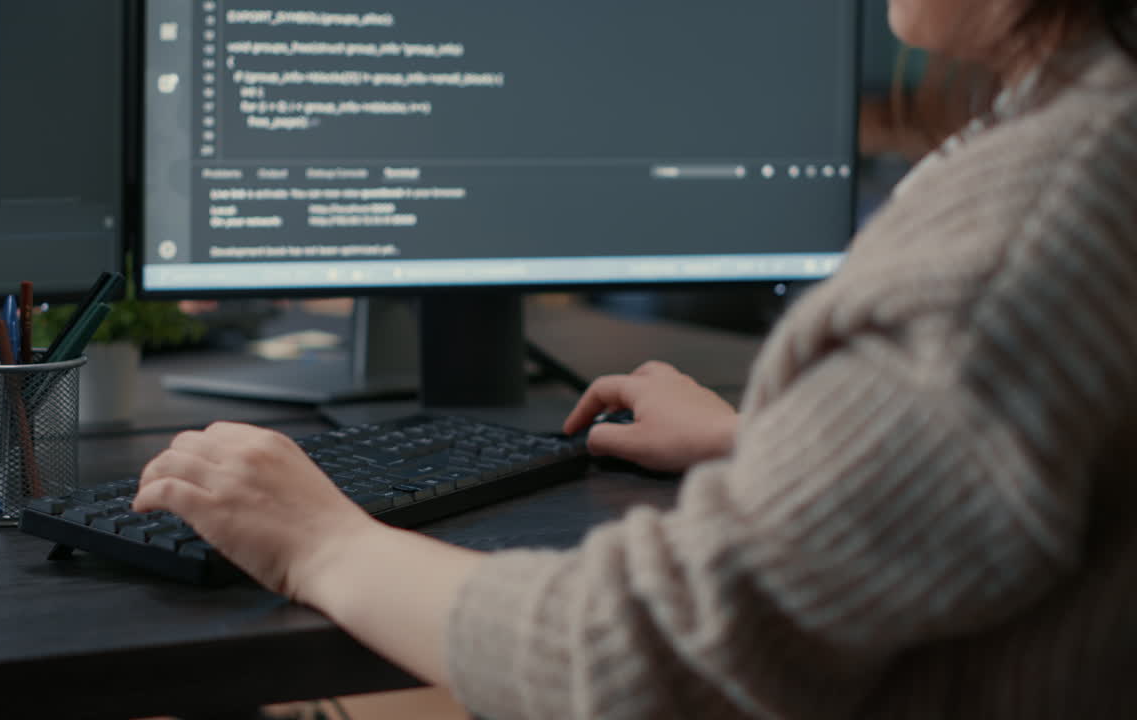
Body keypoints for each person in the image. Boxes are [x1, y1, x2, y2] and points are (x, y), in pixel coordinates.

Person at [134, 1, 1137, 717]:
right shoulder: (1082, 137)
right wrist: (788, 450)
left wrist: (321, 544)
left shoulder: (1030, 229)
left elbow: (642, 661)